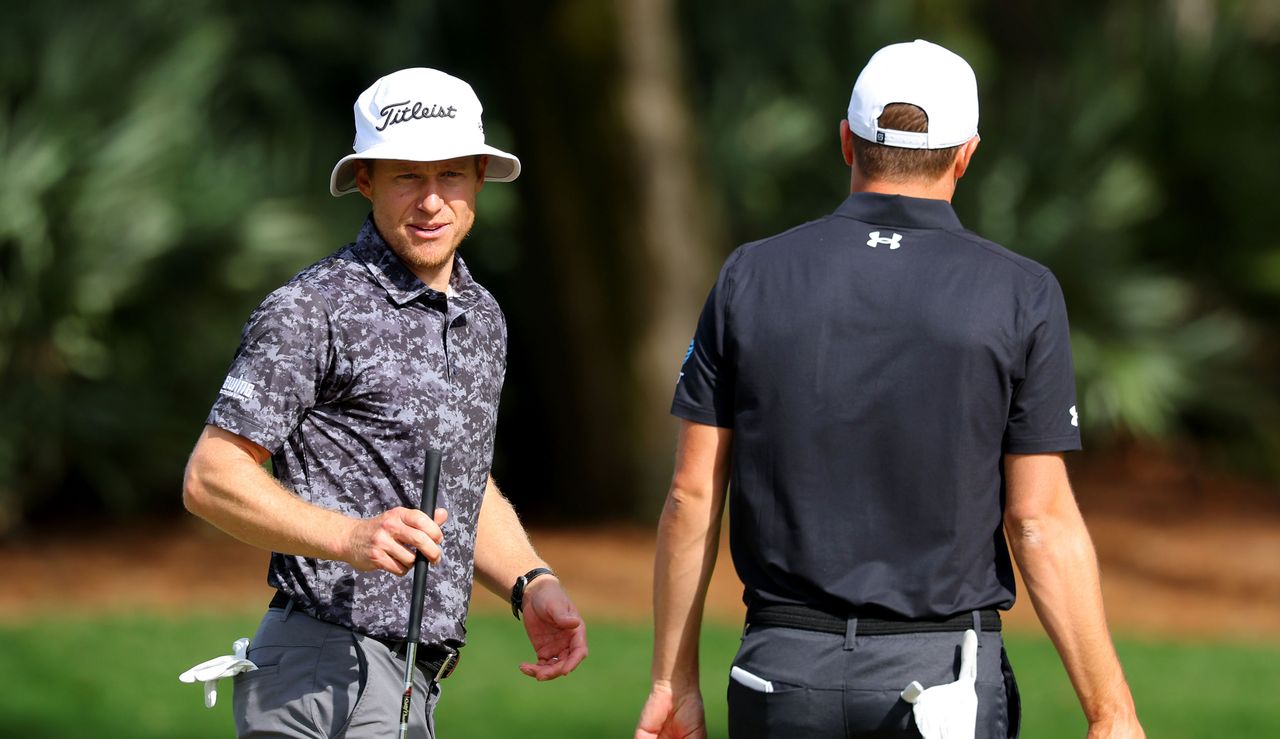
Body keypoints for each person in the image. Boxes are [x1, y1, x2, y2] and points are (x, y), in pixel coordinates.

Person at [636, 40, 1144, 739]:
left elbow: (691, 494)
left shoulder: (749, 275)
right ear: (966, 154)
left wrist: (672, 682)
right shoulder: (1020, 292)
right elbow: (1037, 520)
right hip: (942, 679)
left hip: (781, 674)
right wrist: (1109, 709)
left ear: (847, 141)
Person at [183, 67, 587, 738]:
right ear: (366, 179)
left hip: (407, 679)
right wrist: (352, 537)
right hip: (322, 668)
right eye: (407, 177)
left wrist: (530, 582)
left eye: (450, 175)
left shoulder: (481, 316)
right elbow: (211, 478)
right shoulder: (311, 309)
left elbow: (457, 481)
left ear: (480, 176)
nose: (431, 201)